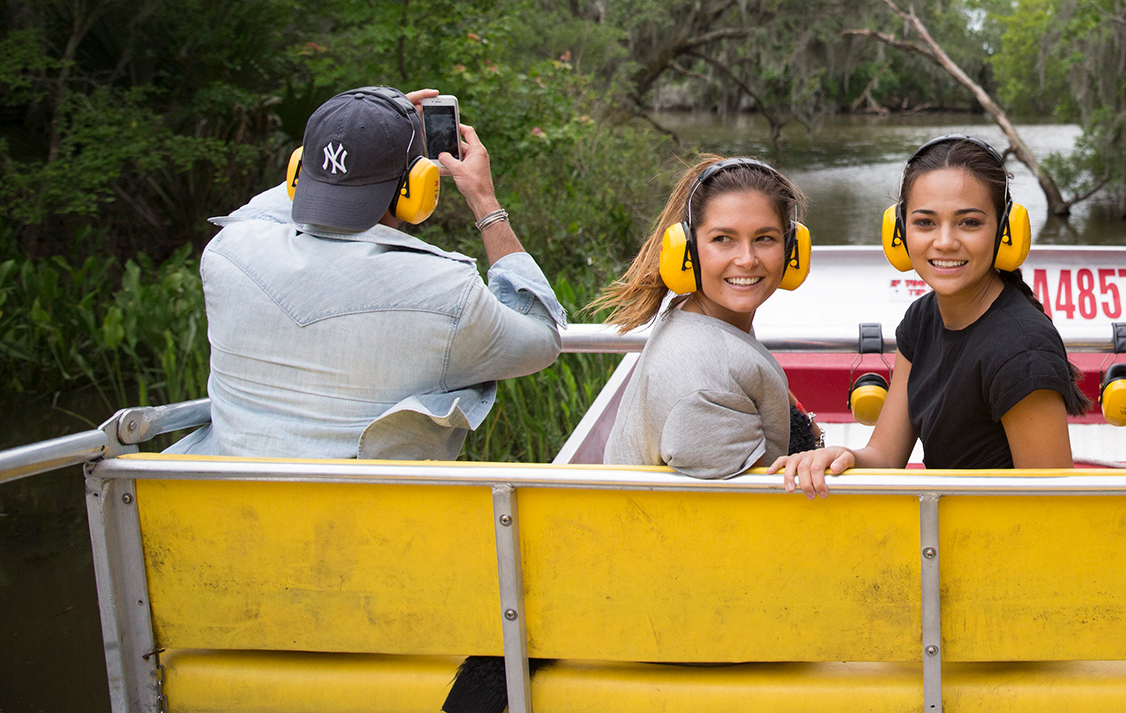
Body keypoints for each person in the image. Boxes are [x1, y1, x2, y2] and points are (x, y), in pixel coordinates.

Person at [170, 86, 565, 460]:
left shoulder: (226, 253)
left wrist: (350, 144)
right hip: (363, 527)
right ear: (416, 187)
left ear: (298, 171)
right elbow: (541, 337)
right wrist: (484, 200)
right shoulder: (446, 293)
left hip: (219, 516)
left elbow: (257, 214)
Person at [772, 136, 1090, 496]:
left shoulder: (1023, 349)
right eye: (925, 222)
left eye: (969, 223)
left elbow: (1052, 506)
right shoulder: (922, 318)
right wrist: (841, 456)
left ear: (1004, 230)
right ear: (899, 231)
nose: (945, 241)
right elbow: (885, 455)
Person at [593, 156, 819, 478]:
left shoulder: (695, 316)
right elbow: (745, 516)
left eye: (764, 238)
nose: (746, 259)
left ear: (791, 248)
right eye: (722, 239)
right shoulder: (706, 385)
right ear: (687, 250)